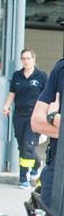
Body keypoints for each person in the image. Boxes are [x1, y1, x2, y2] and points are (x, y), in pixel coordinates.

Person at [2, 48, 47, 188]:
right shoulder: (17, 75)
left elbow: (47, 97)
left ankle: (23, 178)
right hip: (19, 116)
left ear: (34, 59)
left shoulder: (41, 76)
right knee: (22, 146)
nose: (26, 61)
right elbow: (12, 94)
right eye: (23, 59)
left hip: (34, 116)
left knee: (28, 145)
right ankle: (37, 163)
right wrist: (6, 106)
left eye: (28, 58)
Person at [31, 64, 64, 208]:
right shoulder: (61, 69)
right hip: (56, 170)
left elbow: (45, 119)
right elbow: (36, 122)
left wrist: (53, 117)